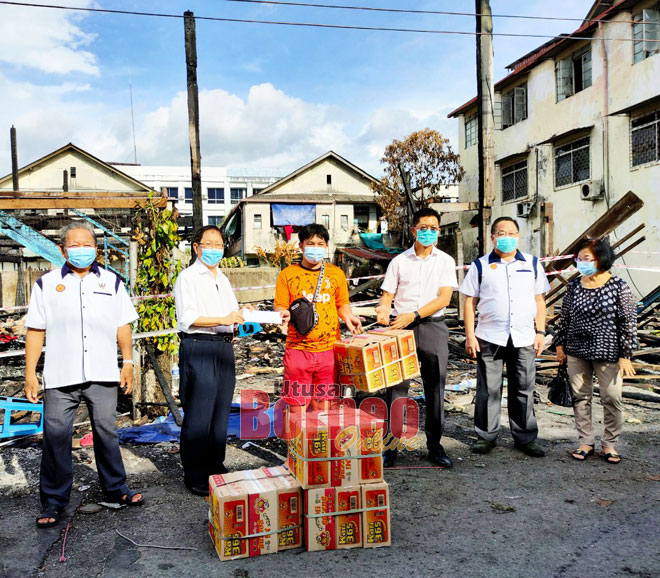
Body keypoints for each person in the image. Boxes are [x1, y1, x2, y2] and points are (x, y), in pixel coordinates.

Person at [25, 221, 143, 529]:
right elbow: (36, 330)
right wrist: (30, 373)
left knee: (106, 433)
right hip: (60, 376)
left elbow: (122, 325)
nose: (82, 250)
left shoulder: (112, 282)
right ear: (63, 250)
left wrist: (127, 362)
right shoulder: (46, 284)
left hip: (102, 372)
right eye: (74, 245)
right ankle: (53, 500)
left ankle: (117, 491)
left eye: (87, 244)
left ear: (96, 248)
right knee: (56, 437)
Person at [459, 216, 550, 457]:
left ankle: (525, 437)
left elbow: (540, 300)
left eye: (511, 233)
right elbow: (469, 302)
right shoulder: (480, 265)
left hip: (524, 337)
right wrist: (470, 335)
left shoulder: (532, 264)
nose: (506, 237)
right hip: (489, 336)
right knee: (488, 389)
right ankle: (486, 436)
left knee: (524, 387)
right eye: (501, 233)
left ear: (518, 237)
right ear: (492, 237)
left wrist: (540, 331)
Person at [376, 207, 458, 468]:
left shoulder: (445, 260)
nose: (429, 232)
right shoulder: (399, 262)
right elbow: (387, 295)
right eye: (424, 227)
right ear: (413, 230)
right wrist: (383, 309)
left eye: (434, 228)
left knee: (435, 388)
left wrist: (414, 314)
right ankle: (392, 446)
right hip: (401, 330)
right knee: (397, 389)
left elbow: (444, 298)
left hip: (433, 327)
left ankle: (435, 445)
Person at [174, 225, 244, 496]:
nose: (215, 249)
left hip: (223, 348)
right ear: (196, 246)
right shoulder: (188, 277)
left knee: (219, 411)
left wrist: (243, 315)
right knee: (199, 413)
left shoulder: (222, 278)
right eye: (209, 243)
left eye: (219, 244)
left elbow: (232, 313)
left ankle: (216, 465)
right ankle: (195, 473)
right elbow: (188, 318)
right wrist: (223, 319)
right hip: (199, 346)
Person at [554, 238, 637, 464]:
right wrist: (560, 345)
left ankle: (610, 444)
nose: (581, 263)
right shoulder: (574, 286)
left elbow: (628, 321)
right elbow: (565, 318)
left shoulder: (618, 286)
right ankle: (586, 441)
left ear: (601, 259)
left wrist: (625, 355)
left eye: (586, 259)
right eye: (579, 259)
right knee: (580, 397)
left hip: (609, 351)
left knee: (611, 397)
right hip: (576, 349)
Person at [274, 223, 362, 411]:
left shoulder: (336, 274)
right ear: (301, 246)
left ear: (326, 246)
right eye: (311, 243)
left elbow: (342, 304)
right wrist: (282, 313)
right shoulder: (287, 275)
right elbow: (280, 305)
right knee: (297, 409)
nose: (316, 247)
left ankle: (318, 441)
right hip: (298, 351)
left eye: (320, 244)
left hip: (329, 352)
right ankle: (296, 441)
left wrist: (348, 317)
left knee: (324, 409)